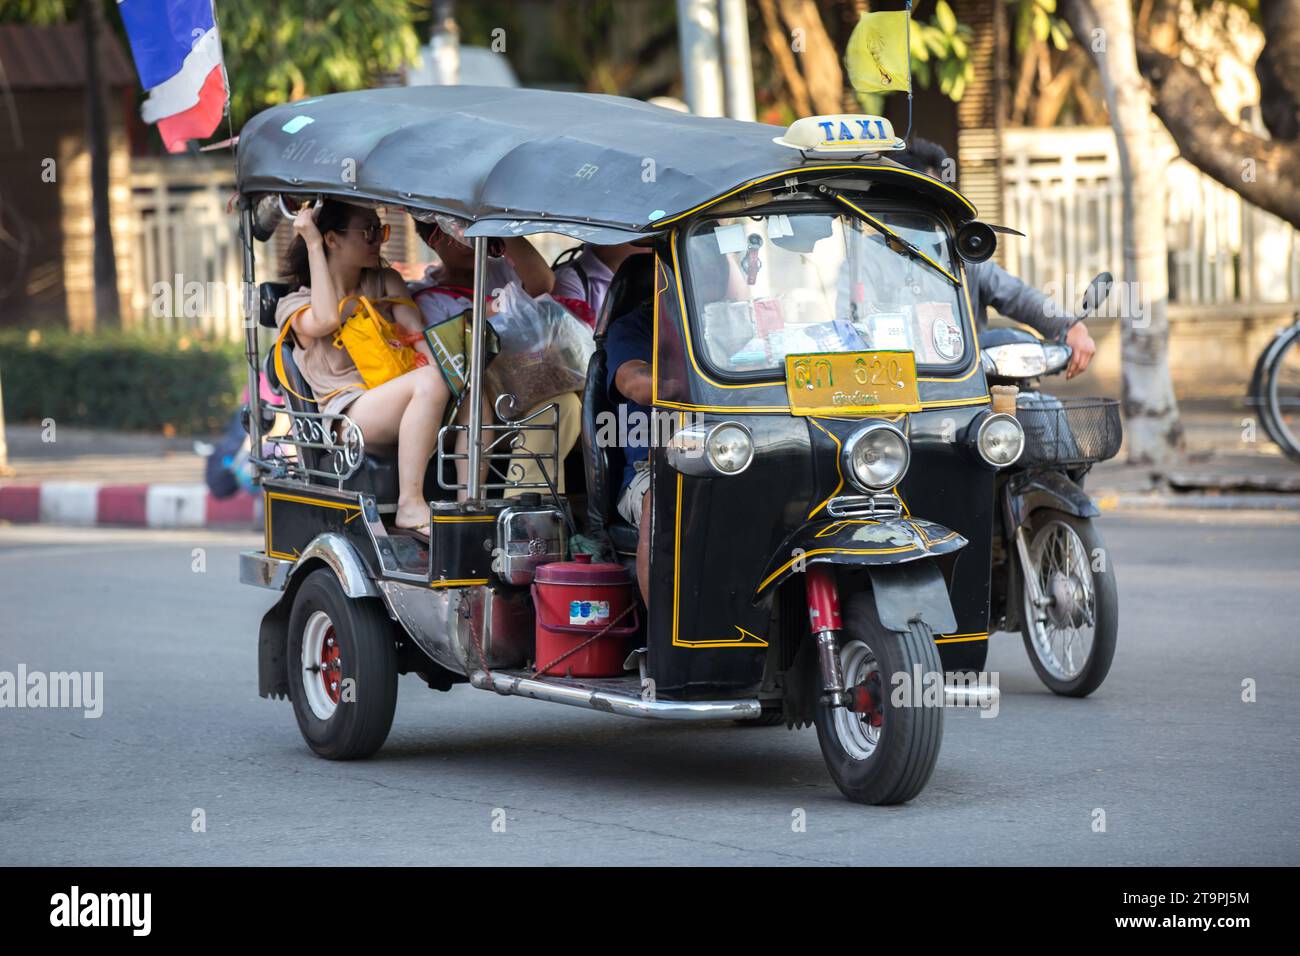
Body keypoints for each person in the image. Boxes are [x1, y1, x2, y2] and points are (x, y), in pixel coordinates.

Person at [276, 200, 449, 536]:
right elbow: (326, 318)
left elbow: (418, 336)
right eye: (367, 231)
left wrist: (457, 377)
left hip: (399, 396)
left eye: (380, 230)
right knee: (429, 381)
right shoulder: (294, 305)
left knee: (459, 383)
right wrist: (311, 241)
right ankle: (410, 504)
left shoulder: (384, 281)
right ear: (332, 239)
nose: (378, 240)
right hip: (349, 417)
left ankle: (470, 502)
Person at [895, 138, 1098, 379]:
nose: (932, 211)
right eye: (921, 201)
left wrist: (1069, 326)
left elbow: (1017, 295)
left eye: (939, 201)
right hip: (899, 386)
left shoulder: (962, 256)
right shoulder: (869, 258)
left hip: (967, 388)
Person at [411, 220, 582, 497]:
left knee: (566, 405)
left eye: (465, 229)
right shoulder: (427, 298)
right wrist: (486, 314)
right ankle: (526, 509)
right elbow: (452, 361)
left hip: (529, 383)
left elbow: (544, 282)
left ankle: (525, 503)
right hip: (479, 400)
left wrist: (495, 228)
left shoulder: (502, 269)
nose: (463, 239)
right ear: (432, 241)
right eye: (450, 232)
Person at [552, 242, 649, 326]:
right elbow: (575, 342)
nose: (650, 246)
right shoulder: (569, 280)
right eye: (641, 239)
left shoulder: (641, 279)